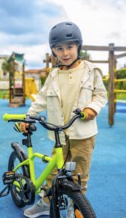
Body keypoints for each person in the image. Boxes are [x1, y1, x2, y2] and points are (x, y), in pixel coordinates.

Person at [21, 22, 107, 218]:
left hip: (83, 135)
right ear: (53, 51)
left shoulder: (91, 71)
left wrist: (91, 108)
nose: (65, 52)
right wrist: (28, 117)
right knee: (55, 170)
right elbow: (41, 99)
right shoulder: (53, 75)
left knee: (79, 174)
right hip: (60, 133)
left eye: (69, 47)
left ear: (78, 46)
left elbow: (100, 95)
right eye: (59, 48)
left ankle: (74, 206)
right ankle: (45, 202)